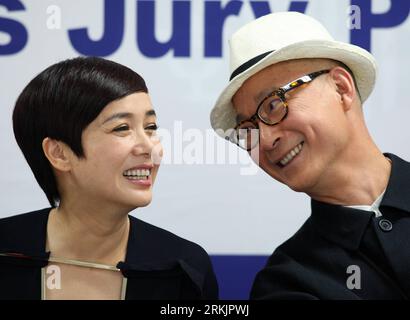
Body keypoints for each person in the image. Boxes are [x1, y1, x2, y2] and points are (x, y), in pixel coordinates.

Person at [210, 12, 410, 299]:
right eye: (248, 129)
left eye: (273, 105)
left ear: (341, 88)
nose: (264, 140)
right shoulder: (287, 281)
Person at [0, 56, 218, 300]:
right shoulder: (7, 252)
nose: (149, 147)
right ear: (59, 154)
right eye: (122, 128)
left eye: (151, 127)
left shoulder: (183, 268)